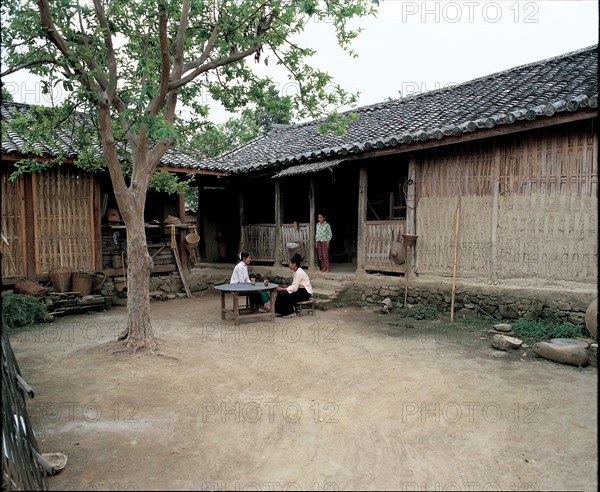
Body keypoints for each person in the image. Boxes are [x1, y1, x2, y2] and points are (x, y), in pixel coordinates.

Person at [274, 252, 313, 318]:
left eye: (290, 263)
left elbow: (294, 288)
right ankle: (280, 311)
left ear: (294, 264)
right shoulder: (296, 271)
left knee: (284, 294)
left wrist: (282, 289)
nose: (289, 265)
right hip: (300, 291)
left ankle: (290, 312)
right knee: (281, 293)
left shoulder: (299, 272)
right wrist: (284, 289)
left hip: (305, 293)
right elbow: (294, 286)